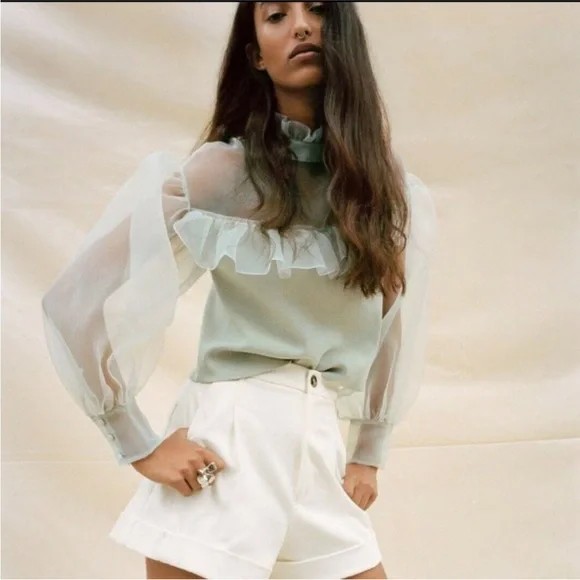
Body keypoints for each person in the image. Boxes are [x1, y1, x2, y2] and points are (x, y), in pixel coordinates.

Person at [41, 2, 437, 579]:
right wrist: (137, 442)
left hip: (319, 442)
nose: (301, 25)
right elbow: (71, 301)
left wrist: (368, 450)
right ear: (255, 56)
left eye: (317, 10)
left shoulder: (381, 184)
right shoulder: (221, 173)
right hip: (228, 437)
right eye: (276, 15)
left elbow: (391, 320)